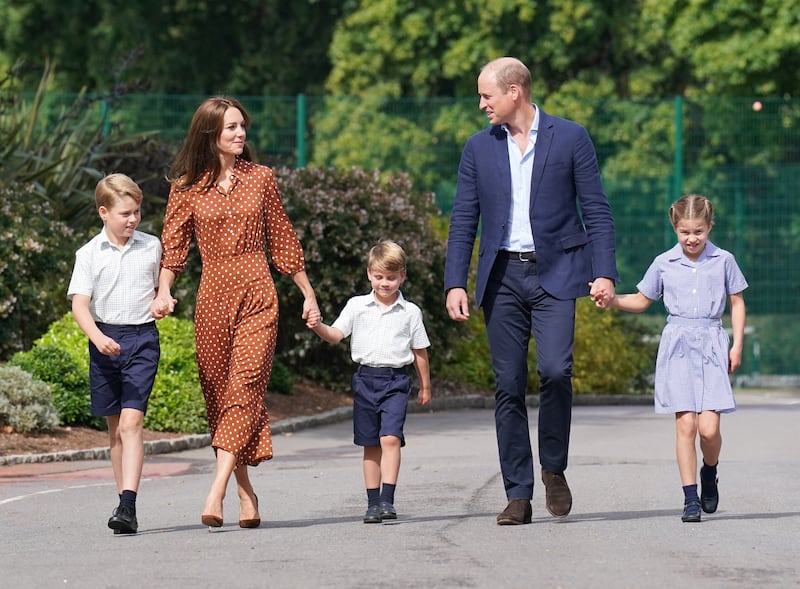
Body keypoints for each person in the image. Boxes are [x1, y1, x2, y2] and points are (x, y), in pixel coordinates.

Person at [444, 57, 618, 525]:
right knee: (508, 385)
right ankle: (517, 494)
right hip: (501, 277)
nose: (481, 104)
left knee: (557, 371)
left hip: (558, 272)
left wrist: (604, 272)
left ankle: (554, 467)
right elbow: (464, 218)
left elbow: (596, 209)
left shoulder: (571, 137)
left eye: (487, 95)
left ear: (514, 91)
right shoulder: (478, 148)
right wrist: (455, 281)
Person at [149, 96, 320, 531]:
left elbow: (282, 237)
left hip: (258, 292)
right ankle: (246, 491)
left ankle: (216, 489)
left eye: (242, 126)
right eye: (231, 128)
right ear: (211, 134)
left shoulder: (261, 178)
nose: (241, 134)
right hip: (211, 300)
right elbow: (174, 247)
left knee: (244, 387)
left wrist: (307, 293)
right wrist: (164, 291)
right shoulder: (186, 186)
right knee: (221, 398)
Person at [592, 194, 747, 522]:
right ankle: (690, 499)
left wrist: (736, 345)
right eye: (685, 232)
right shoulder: (664, 262)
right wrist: (612, 300)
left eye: (699, 232)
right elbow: (641, 299)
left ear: (709, 227)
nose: (692, 239)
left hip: (711, 344)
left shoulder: (724, 260)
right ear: (675, 228)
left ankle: (710, 471)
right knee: (686, 424)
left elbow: (736, 302)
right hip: (677, 345)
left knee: (709, 429)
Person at [68, 173, 165, 534]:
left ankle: (127, 504)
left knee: (131, 424)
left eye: (137, 212)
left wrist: (163, 298)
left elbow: (161, 286)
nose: (133, 219)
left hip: (141, 340)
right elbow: (80, 305)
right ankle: (125, 506)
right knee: (114, 432)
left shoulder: (151, 246)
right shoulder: (89, 254)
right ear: (104, 212)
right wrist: (96, 337)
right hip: (104, 340)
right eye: (126, 213)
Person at [309, 240, 431, 523]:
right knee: (370, 445)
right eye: (379, 277)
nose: (385, 283)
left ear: (402, 276)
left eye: (391, 277)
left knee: (390, 439)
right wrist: (317, 326)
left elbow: (420, 351)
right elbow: (336, 334)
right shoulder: (357, 306)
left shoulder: (410, 312)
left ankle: (388, 500)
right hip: (365, 379)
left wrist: (425, 386)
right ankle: (373, 503)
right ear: (369, 274)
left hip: (396, 381)